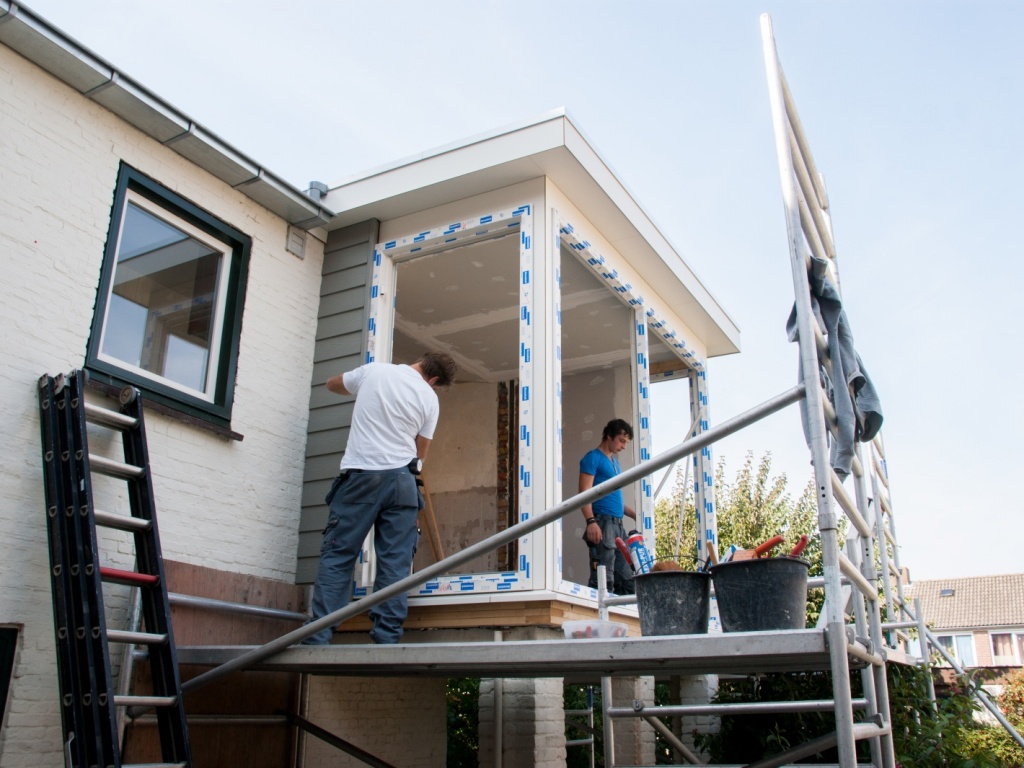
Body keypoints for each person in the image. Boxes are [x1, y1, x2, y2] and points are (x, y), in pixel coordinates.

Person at [301, 351, 458, 645]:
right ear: (433, 379)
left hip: (360, 480)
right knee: (396, 563)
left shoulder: (374, 372)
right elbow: (421, 452)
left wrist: (353, 389)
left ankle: (317, 636)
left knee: (338, 555)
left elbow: (332, 383)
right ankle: (387, 638)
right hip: (401, 483)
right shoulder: (429, 397)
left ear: (421, 361)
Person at [579, 418, 637, 595]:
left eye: (626, 442)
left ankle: (624, 619)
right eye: (621, 440)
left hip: (618, 525)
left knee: (628, 579)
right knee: (604, 578)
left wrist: (635, 514)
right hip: (602, 523)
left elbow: (614, 498)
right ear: (609, 436)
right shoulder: (593, 458)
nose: (624, 446)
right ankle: (599, 619)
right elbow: (584, 494)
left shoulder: (615, 462)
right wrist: (591, 522)